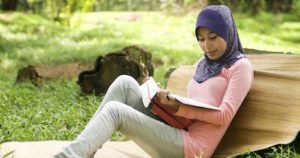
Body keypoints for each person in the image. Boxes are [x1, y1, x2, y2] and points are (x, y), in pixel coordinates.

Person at [54, 5, 253, 158]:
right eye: (200, 39)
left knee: (115, 111)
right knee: (125, 82)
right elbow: (197, 103)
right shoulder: (204, 63)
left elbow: (225, 115)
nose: (206, 45)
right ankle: (84, 150)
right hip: (178, 127)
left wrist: (180, 107)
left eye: (213, 37)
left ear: (228, 32)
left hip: (192, 146)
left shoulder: (240, 67)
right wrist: (163, 98)